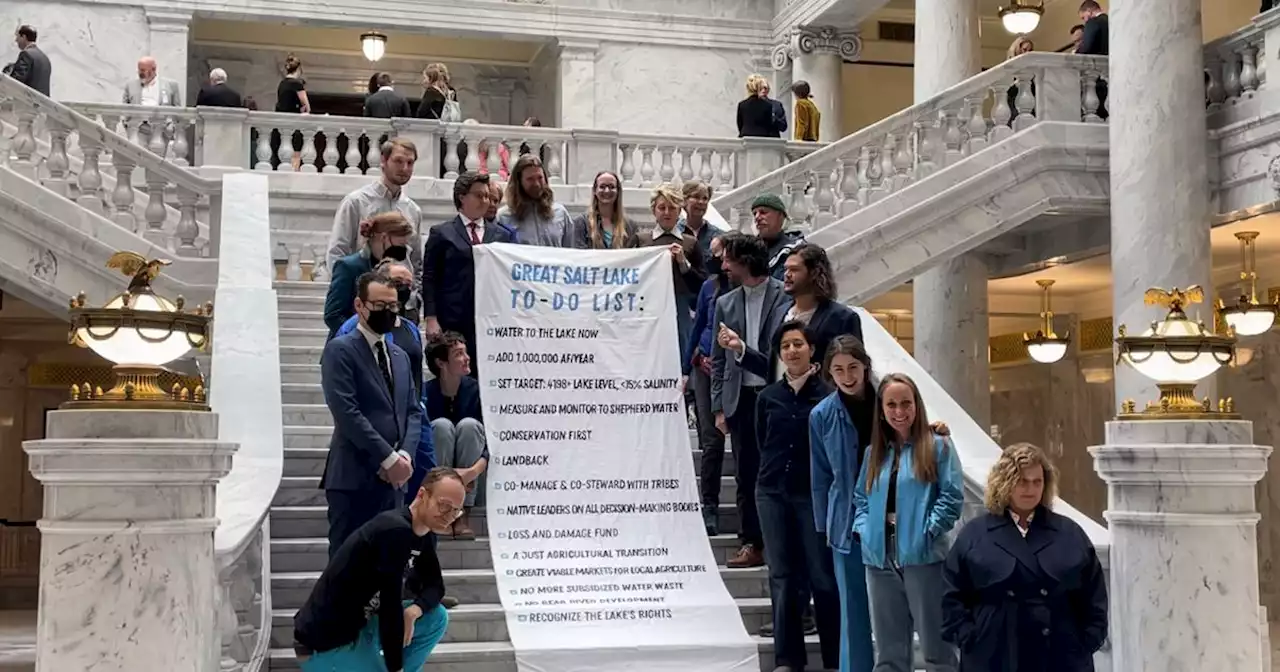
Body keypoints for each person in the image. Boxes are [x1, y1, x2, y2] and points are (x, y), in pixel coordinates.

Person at [941, 442, 1108, 672]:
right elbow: (952, 595)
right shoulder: (975, 534)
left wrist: (1084, 642)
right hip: (993, 655)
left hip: (1060, 656)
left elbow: (1094, 595)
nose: (1030, 489)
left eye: (1037, 482)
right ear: (1005, 482)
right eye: (1022, 481)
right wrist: (970, 638)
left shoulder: (1069, 533)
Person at [293, 467, 460, 672]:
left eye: (456, 511)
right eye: (444, 506)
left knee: (436, 617)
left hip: (360, 627)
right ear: (422, 495)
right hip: (327, 644)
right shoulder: (395, 531)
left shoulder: (421, 533)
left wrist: (414, 611)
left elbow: (436, 586)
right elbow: (390, 606)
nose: (449, 516)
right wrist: (395, 667)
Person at [854, 372, 963, 672]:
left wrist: (927, 530)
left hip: (924, 558)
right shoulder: (873, 453)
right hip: (880, 561)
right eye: (891, 404)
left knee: (936, 650)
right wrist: (864, 530)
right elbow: (860, 499)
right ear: (882, 409)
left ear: (917, 405)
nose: (899, 411)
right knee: (888, 655)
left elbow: (952, 496)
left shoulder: (939, 446)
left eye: (906, 403)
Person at [754, 320, 840, 672]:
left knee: (822, 575)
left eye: (798, 344)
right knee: (782, 576)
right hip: (771, 492)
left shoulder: (829, 396)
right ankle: (788, 659)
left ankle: (835, 657)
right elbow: (762, 443)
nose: (792, 351)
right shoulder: (767, 397)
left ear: (812, 350)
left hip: (812, 495)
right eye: (786, 345)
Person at [320, 270, 423, 556]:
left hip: (395, 483)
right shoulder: (340, 351)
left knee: (388, 561)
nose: (388, 312)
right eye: (380, 306)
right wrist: (387, 458)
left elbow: (413, 411)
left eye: (393, 306)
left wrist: (405, 456)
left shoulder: (400, 356)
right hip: (354, 477)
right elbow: (346, 412)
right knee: (346, 564)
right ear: (359, 306)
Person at [711, 233, 792, 569]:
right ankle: (751, 542)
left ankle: (780, 542)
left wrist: (741, 347)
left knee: (777, 472)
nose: (724, 265)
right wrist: (717, 406)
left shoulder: (784, 297)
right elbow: (718, 360)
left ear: (745, 261)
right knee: (746, 473)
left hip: (776, 395)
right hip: (741, 398)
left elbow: (779, 354)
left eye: (729, 259)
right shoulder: (725, 302)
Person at [809, 335, 875, 672]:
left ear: (865, 366)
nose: (847, 376)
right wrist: (824, 527)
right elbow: (820, 477)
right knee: (852, 610)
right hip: (844, 524)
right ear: (828, 373)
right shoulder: (821, 415)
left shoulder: (888, 404)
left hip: (888, 518)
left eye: (853, 367)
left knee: (895, 609)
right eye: (838, 370)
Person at [422, 172, 515, 369]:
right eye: (479, 195)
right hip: (453, 320)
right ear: (462, 197)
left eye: (488, 196)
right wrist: (431, 318)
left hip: (490, 321)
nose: (486, 201)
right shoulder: (442, 233)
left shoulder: (502, 236)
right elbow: (430, 278)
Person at [326, 138, 423, 321]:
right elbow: (337, 253)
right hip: (363, 303)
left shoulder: (413, 210)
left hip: (402, 306)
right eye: (398, 161)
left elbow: (416, 261)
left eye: (410, 163)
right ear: (383, 160)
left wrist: (413, 298)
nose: (405, 168)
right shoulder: (356, 202)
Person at [737, 243, 862, 383]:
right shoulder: (779, 313)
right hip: (781, 401)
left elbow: (854, 369)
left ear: (814, 273)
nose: (787, 275)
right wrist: (740, 348)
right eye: (786, 269)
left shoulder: (843, 318)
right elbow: (772, 367)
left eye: (794, 269)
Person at [424, 332, 490, 539]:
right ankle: (441, 509)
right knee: (441, 426)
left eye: (465, 352)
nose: (467, 358)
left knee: (470, 426)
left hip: (474, 479)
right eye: (459, 354)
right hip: (436, 479)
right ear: (441, 363)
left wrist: (471, 471)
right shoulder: (426, 393)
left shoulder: (477, 391)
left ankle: (462, 514)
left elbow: (495, 443)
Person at [685, 234, 728, 535]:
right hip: (703, 369)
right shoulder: (707, 287)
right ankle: (709, 507)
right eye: (712, 254)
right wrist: (688, 363)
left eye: (721, 253)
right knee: (711, 441)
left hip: (734, 373)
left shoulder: (745, 288)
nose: (717, 260)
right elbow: (698, 324)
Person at [334, 260, 423, 394]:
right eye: (398, 282)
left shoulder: (411, 328)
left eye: (408, 284)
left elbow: (417, 377)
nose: (403, 288)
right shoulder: (352, 327)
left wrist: (420, 405)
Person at [324, 212, 416, 340]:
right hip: (350, 345)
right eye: (401, 244)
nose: (404, 249)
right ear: (384, 237)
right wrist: (361, 337)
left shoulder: (398, 269)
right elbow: (333, 315)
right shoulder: (348, 266)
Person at [639, 184, 706, 353]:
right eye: (662, 207)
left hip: (681, 313)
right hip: (647, 311)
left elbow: (702, 284)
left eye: (672, 208)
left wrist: (684, 264)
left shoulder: (690, 243)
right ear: (654, 210)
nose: (667, 212)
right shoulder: (641, 241)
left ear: (679, 211)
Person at [496, 154, 572, 247]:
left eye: (540, 178)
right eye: (530, 179)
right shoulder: (503, 217)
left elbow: (571, 252)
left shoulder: (561, 213)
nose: (536, 184)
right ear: (519, 182)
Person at [569, 171, 637, 249]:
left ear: (618, 191)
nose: (607, 190)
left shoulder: (630, 226)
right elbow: (580, 255)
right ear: (595, 190)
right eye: (602, 186)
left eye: (612, 187)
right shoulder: (582, 223)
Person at [751, 194, 805, 280]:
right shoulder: (749, 250)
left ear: (781, 216)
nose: (757, 217)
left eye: (763, 212)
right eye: (755, 214)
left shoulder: (797, 249)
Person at [1077, 1, 1108, 118]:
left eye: (1083, 17)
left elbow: (1087, 47)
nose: (1084, 21)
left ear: (1089, 12)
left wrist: (1075, 54)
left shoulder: (1093, 22)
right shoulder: (1113, 21)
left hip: (1098, 76)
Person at [6, 25, 51, 97]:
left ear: (24, 37)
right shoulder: (45, 58)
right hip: (42, 104)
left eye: (17, 37)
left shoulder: (26, 54)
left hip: (27, 103)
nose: (16, 40)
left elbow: (16, 81)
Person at [738, 73, 781, 138]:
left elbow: (740, 124)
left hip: (745, 136)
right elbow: (768, 125)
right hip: (762, 137)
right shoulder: (767, 105)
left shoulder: (742, 105)